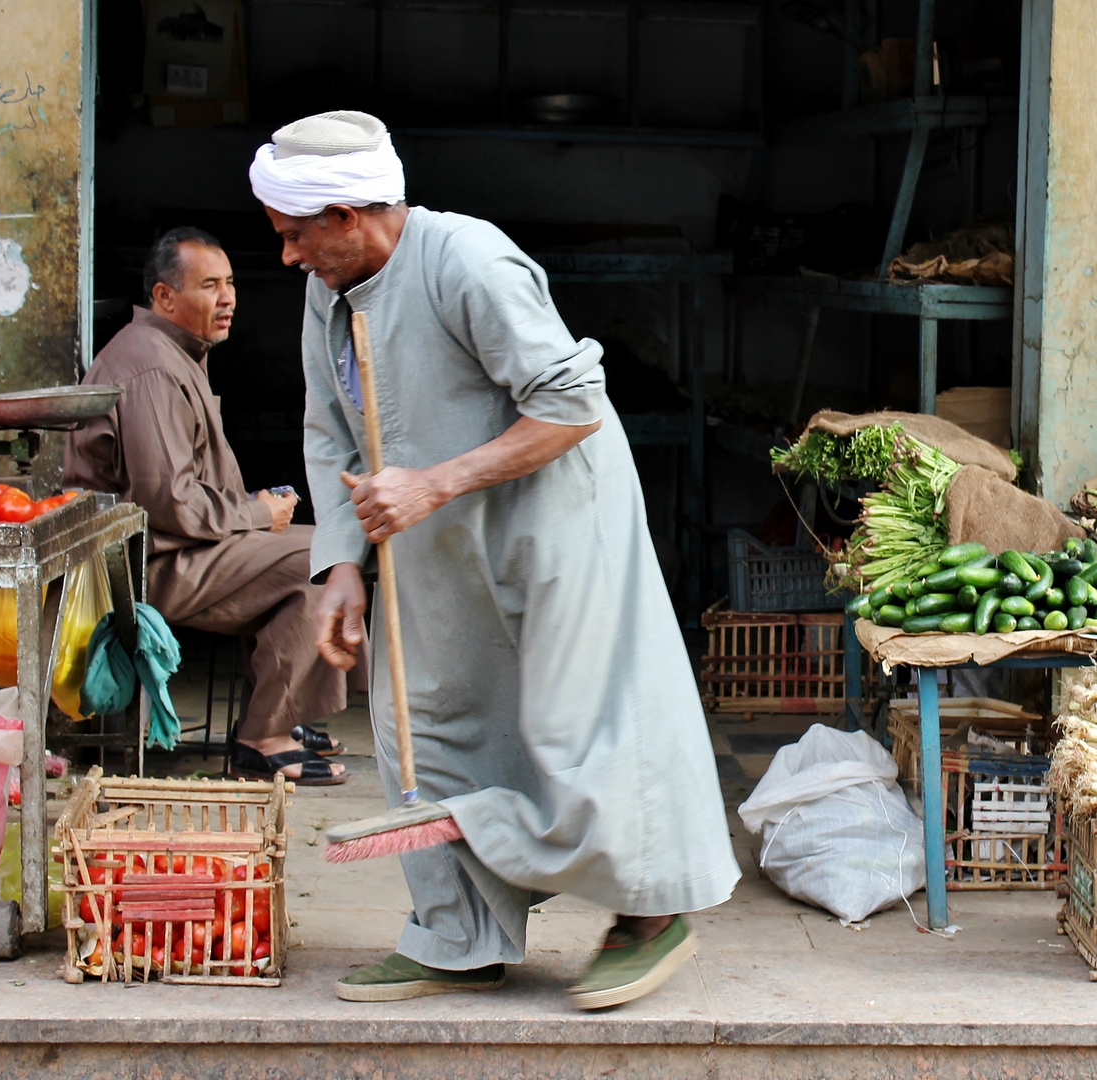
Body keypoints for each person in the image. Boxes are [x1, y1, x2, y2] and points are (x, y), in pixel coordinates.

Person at [248, 111, 739, 1008]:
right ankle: (457, 935)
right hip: (427, 538)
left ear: (350, 214)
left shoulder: (467, 260)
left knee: (582, 730)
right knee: (425, 728)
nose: (285, 257)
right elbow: (331, 433)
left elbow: (572, 404)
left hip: (552, 525)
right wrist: (342, 568)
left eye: (293, 236)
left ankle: (648, 917)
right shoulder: (329, 292)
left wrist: (435, 484)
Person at [64, 227, 350, 785]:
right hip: (148, 564)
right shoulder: (150, 366)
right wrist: (256, 514)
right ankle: (261, 738)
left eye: (231, 284)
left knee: (331, 546)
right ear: (165, 298)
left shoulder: (174, 352)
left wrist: (252, 512)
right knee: (316, 560)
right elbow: (165, 500)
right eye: (210, 285)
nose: (228, 299)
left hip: (182, 547)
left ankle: (281, 716)